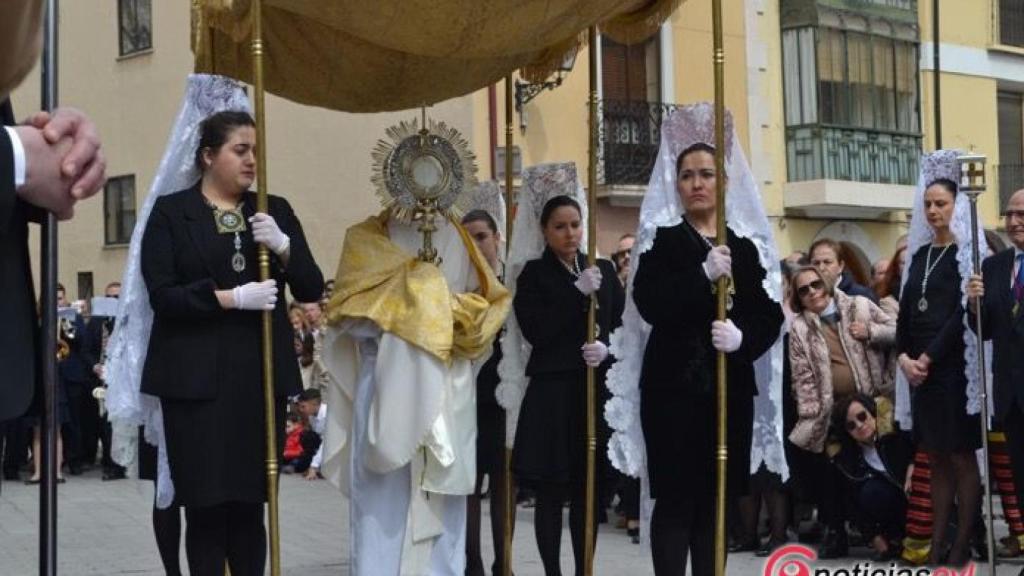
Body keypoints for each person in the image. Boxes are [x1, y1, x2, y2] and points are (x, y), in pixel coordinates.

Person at [138, 108, 324, 575]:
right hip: (195, 384)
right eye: (240, 150)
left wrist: (284, 246)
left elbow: (311, 287)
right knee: (205, 506)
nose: (251, 160)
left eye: (255, 151)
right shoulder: (172, 213)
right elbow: (163, 295)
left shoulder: (271, 209)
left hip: (255, 379)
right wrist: (228, 298)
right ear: (207, 156)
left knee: (249, 505)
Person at [606, 103, 785, 576]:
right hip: (673, 392)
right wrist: (700, 275)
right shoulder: (661, 241)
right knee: (677, 501)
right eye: (687, 175)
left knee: (715, 501)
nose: (697, 183)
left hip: (728, 389)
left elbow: (769, 313)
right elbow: (650, 302)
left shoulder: (743, 245)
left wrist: (743, 337)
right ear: (676, 183)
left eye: (707, 173)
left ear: (722, 182)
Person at [320, 171, 510, 576]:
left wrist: (429, 308)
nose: (426, 187)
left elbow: (482, 311)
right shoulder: (368, 239)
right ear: (396, 177)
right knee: (382, 506)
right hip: (386, 390)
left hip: (447, 388)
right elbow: (346, 316)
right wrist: (415, 308)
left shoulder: (460, 239)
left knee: (443, 507)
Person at [509, 189, 624, 576]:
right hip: (553, 394)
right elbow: (537, 332)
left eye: (575, 225)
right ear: (545, 231)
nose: (570, 234)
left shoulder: (603, 271)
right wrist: (574, 295)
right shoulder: (534, 275)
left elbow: (622, 326)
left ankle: (583, 569)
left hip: (592, 389)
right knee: (551, 489)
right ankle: (552, 571)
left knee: (587, 491)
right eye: (560, 227)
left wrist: (607, 348)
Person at [895, 150, 983, 567]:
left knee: (961, 457)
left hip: (952, 369)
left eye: (941, 204)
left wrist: (927, 357)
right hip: (920, 373)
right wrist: (903, 358)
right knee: (935, 458)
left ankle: (963, 540)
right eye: (928, 204)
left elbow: (961, 315)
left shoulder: (967, 254)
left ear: (956, 206)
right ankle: (935, 541)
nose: (933, 211)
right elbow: (906, 314)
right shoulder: (918, 256)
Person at [787, 265, 894, 558]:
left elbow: (897, 331)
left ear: (827, 284)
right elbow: (802, 377)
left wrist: (869, 331)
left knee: (883, 467)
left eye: (815, 285)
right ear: (798, 297)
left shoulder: (858, 305)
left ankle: (891, 530)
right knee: (834, 473)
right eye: (803, 290)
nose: (812, 292)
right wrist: (814, 413)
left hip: (871, 405)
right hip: (831, 412)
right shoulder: (799, 328)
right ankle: (836, 531)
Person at [967, 187, 1024, 558]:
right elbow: (984, 328)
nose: (1014, 221)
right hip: (1011, 395)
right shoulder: (995, 265)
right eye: (1010, 214)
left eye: (1022, 214)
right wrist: (974, 305)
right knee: (1021, 483)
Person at [461, 182, 515, 576]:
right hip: (466, 391)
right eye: (467, 239)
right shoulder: (456, 289)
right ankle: (471, 562)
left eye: (481, 236)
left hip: (504, 390)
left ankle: (505, 563)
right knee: (468, 482)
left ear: (497, 238)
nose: (476, 245)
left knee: (503, 481)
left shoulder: (513, 283)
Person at [830, 393, 913, 561]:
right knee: (870, 492)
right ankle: (896, 540)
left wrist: (912, 469)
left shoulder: (895, 433)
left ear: (871, 412)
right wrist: (873, 537)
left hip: (920, 500)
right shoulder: (850, 461)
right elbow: (854, 505)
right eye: (851, 425)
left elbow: (918, 449)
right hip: (897, 512)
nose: (860, 425)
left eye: (862, 416)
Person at [809, 238, 878, 303]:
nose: (821, 268)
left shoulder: (862, 296)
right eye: (816, 263)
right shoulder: (806, 295)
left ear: (840, 266)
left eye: (827, 262)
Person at [295, 388, 326, 481]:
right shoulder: (312, 416)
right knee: (307, 436)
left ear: (314, 404)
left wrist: (314, 466)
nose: (301, 410)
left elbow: (326, 444)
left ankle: (318, 468)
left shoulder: (328, 414)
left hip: (334, 445)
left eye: (303, 406)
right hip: (321, 443)